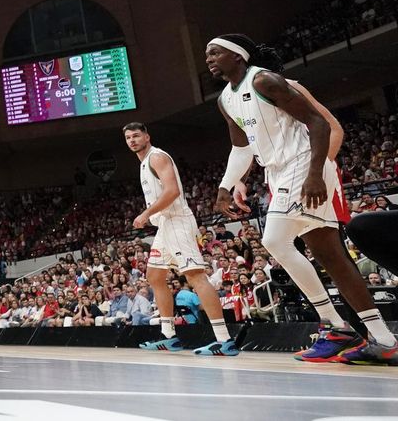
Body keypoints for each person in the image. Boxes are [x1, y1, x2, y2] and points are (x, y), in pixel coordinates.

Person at [207, 33, 396, 365]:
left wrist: (314, 174)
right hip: (278, 171)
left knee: (275, 239)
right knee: (331, 255)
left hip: (304, 163)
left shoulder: (265, 80)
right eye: (207, 54)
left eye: (215, 52)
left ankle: (335, 326)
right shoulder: (226, 99)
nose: (208, 58)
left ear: (237, 56)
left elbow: (320, 123)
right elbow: (241, 147)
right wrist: (226, 185)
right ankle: (383, 339)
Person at [123, 122, 238, 355]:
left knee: (196, 277)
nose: (132, 140)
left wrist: (146, 213)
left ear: (147, 136)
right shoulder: (144, 162)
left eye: (136, 136)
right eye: (128, 138)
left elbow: (172, 191)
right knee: (154, 276)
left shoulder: (157, 157)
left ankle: (224, 340)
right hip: (165, 225)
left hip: (177, 222)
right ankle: (169, 337)